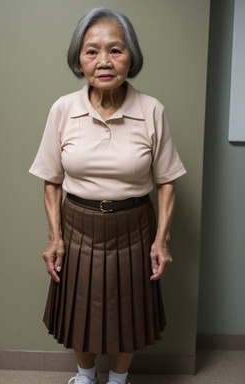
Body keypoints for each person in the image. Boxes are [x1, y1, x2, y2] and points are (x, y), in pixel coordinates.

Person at [29, 6, 186, 384]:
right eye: (92, 51)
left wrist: (161, 241)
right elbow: (51, 180)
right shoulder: (63, 109)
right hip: (77, 223)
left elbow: (166, 182)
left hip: (134, 225)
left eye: (116, 50)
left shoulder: (152, 111)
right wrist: (55, 237)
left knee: (128, 312)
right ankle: (85, 377)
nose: (104, 61)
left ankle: (118, 381)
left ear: (131, 58)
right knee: (79, 308)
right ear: (78, 59)